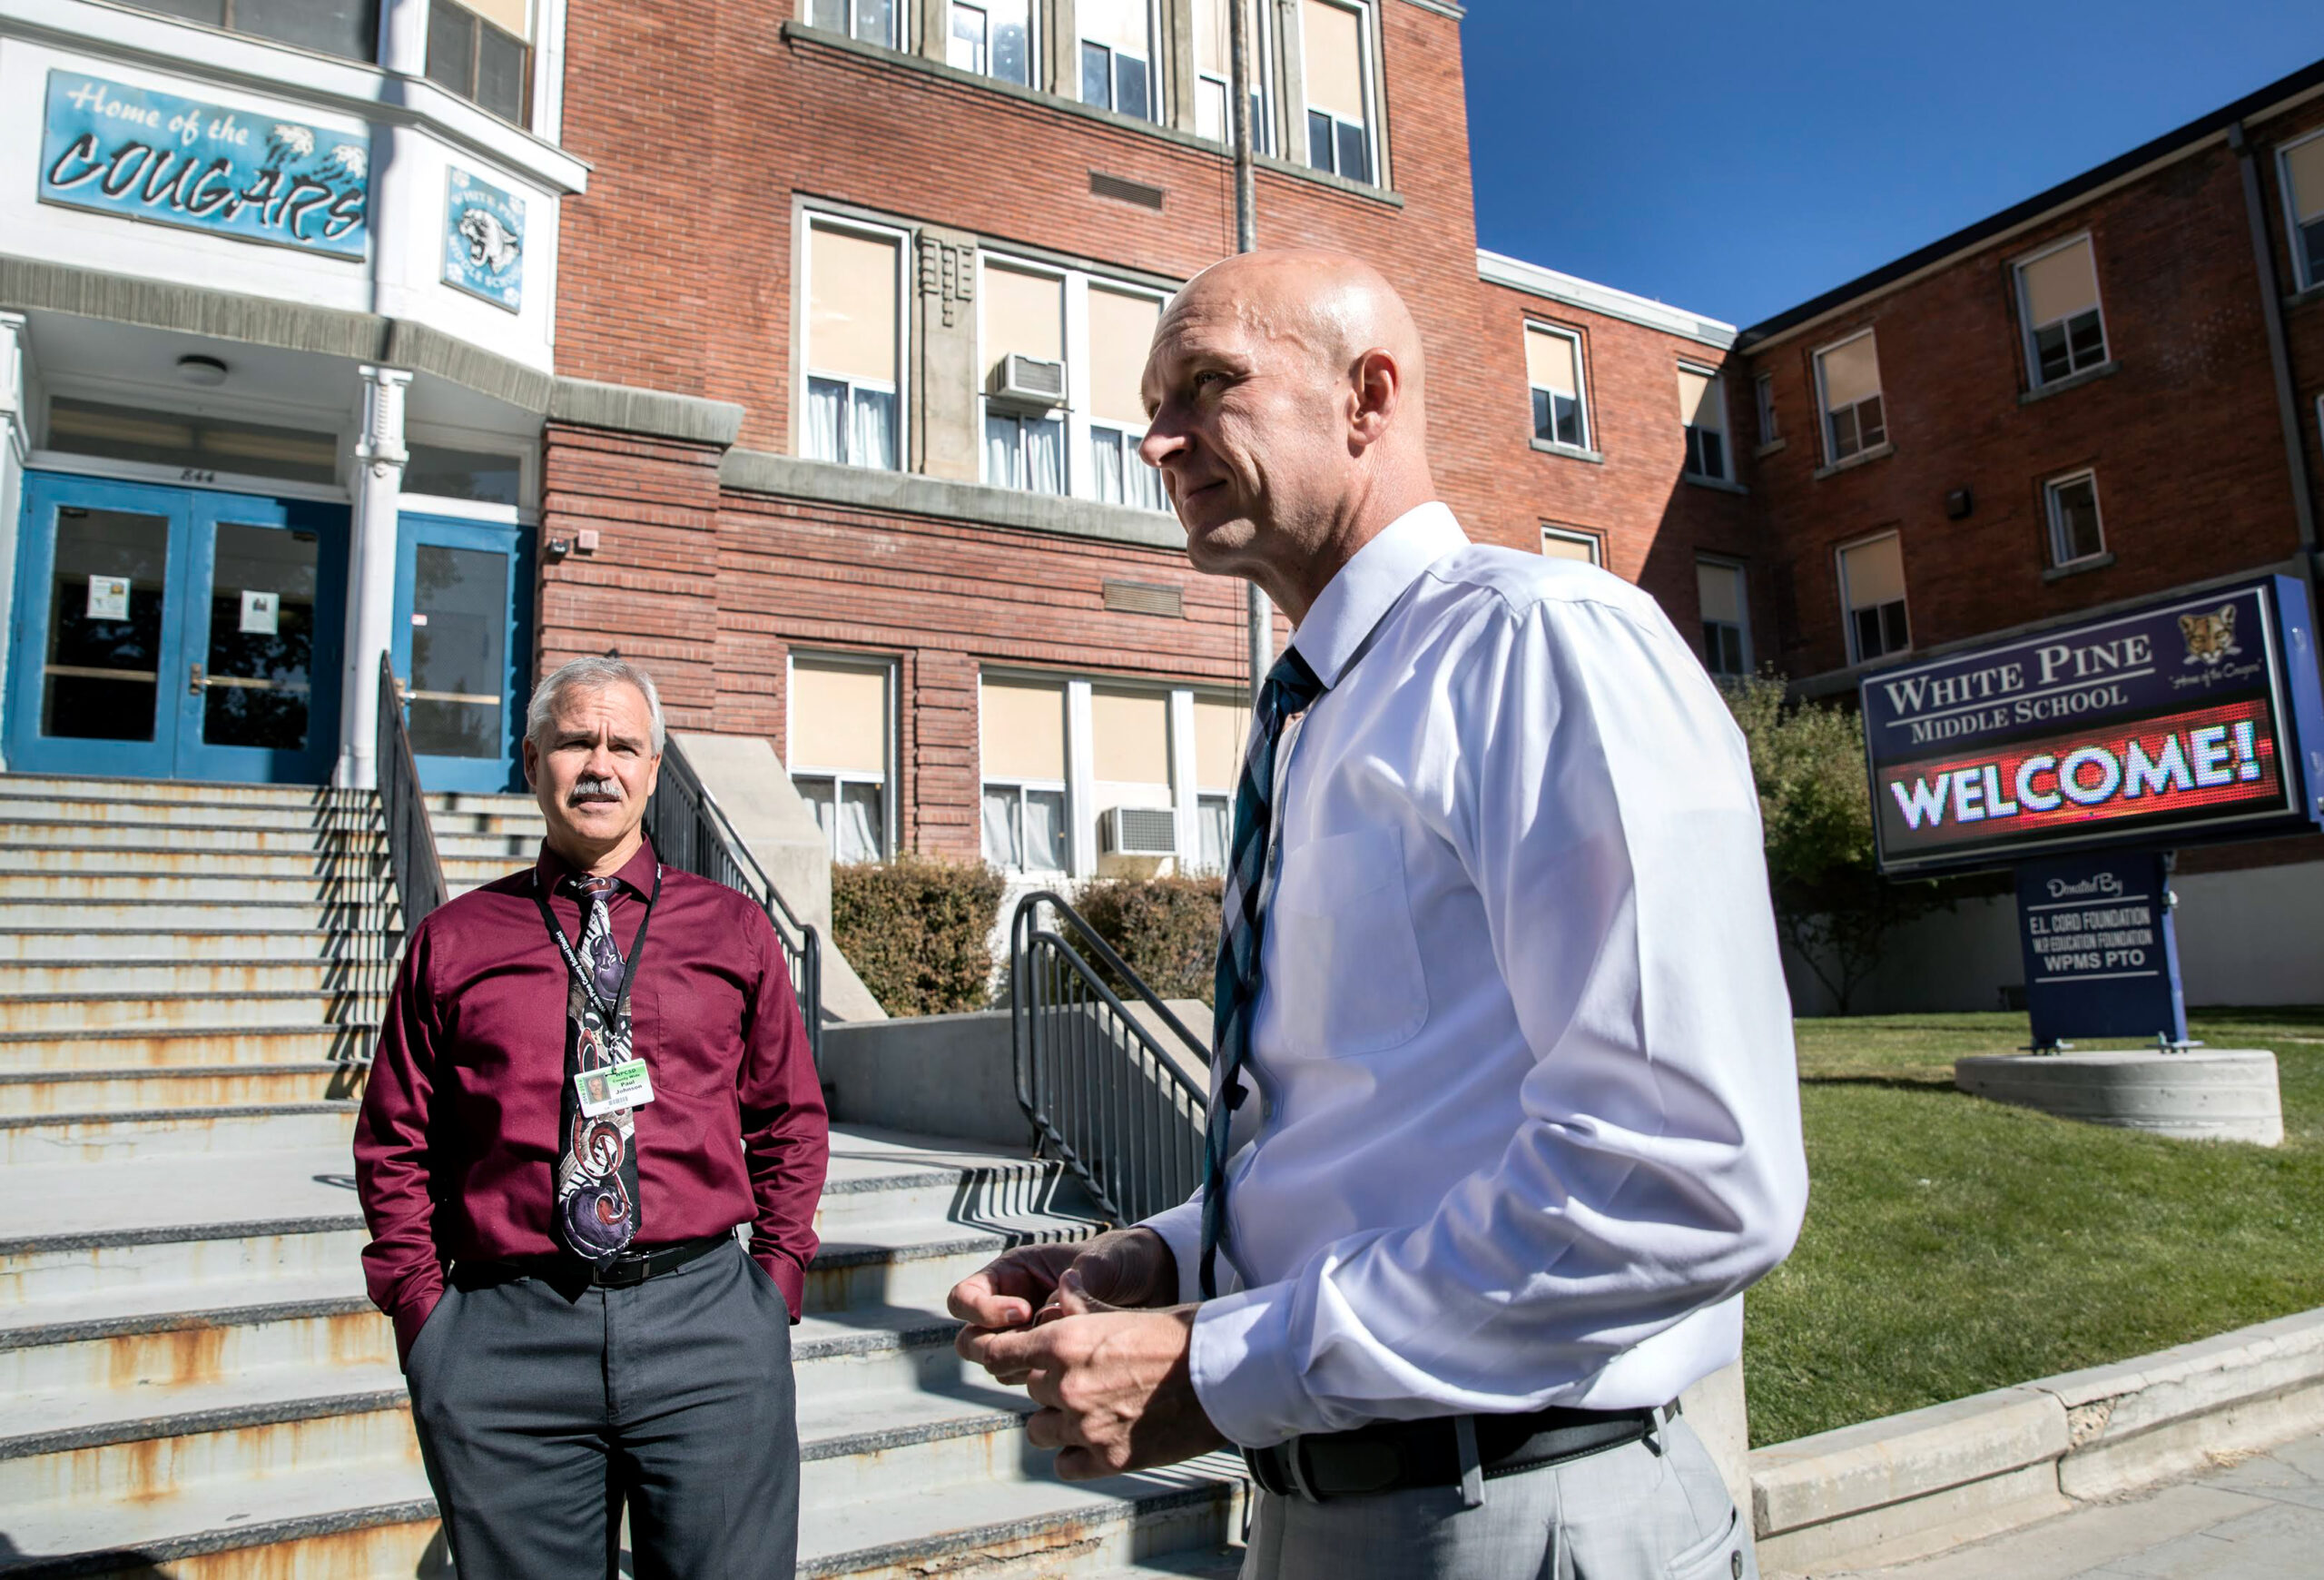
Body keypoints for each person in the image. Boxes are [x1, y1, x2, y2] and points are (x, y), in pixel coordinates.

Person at [947, 251, 1809, 1579]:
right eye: (1150, 403)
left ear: (1369, 397)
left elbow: (1679, 1172)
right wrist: (1156, 1259)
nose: (1155, 438)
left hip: (1521, 1513)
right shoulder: (1310, 715)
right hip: (1314, 1513)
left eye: (1209, 385)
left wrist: (1221, 1365)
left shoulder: (1542, 646)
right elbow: (1370, 1139)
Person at [354, 655, 828, 1577]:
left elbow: (789, 1120)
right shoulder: (453, 943)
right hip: (505, 1341)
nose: (599, 764)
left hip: (709, 1328)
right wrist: (425, 1317)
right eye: (576, 742)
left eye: (624, 745)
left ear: (654, 770)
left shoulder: (732, 930)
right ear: (532, 763)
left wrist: (773, 1285)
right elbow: (394, 1139)